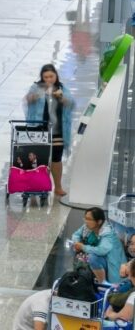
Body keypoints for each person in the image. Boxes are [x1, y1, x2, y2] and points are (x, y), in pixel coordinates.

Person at [25, 64, 74, 197]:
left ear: (56, 76)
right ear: (42, 77)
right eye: (45, 77)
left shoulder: (62, 88)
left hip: (57, 129)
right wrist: (40, 94)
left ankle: (58, 187)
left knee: (56, 158)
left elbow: (71, 103)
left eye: (51, 76)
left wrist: (61, 97)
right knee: (38, 158)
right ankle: (37, 186)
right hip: (39, 128)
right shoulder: (36, 87)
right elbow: (28, 99)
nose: (48, 79)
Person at [71, 206, 126, 283]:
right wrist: (76, 243)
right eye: (85, 218)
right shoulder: (87, 227)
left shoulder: (108, 233)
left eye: (89, 219)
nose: (86, 221)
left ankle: (103, 284)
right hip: (101, 260)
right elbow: (76, 235)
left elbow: (101, 250)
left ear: (99, 221)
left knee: (93, 257)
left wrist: (82, 247)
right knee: (84, 257)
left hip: (114, 265)